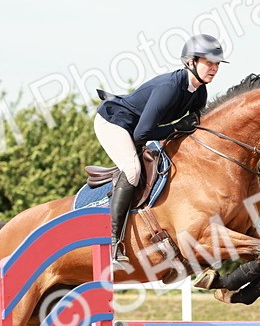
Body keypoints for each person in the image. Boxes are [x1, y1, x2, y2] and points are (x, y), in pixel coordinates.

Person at [94, 33, 227, 268]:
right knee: (133, 170)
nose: (214, 68)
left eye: (217, 63)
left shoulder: (199, 92)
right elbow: (141, 134)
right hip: (115, 122)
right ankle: (113, 244)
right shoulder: (170, 88)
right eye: (209, 62)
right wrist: (177, 127)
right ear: (191, 62)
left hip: (140, 128)